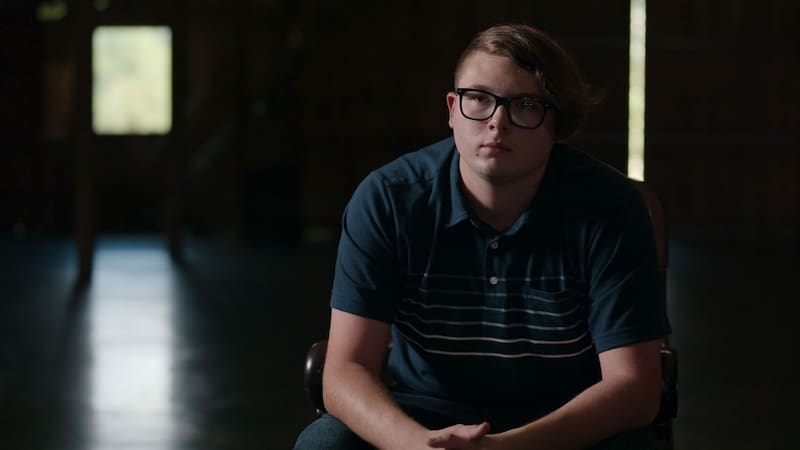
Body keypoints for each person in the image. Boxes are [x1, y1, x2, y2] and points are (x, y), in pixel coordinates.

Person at [295, 23, 671, 450]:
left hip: (566, 421)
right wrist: (417, 444)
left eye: (525, 105)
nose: (497, 122)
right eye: (478, 98)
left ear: (558, 125)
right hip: (421, 416)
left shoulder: (611, 208)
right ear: (452, 110)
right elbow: (345, 370)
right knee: (325, 444)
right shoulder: (389, 199)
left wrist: (507, 448)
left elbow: (634, 387)